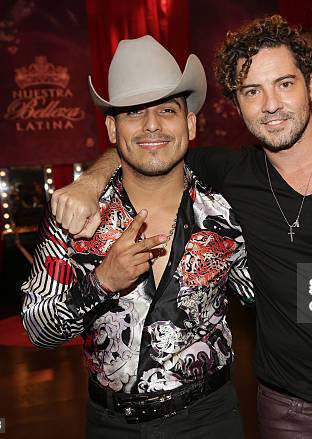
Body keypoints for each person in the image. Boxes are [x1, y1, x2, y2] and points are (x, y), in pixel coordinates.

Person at [51, 16, 312, 438]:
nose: (271, 105)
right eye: (252, 91)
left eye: (284, 83)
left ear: (311, 85)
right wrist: (88, 182)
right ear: (237, 103)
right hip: (286, 413)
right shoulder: (228, 175)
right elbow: (146, 145)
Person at [21, 36, 255, 439]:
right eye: (133, 112)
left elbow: (274, 297)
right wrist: (101, 284)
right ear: (113, 128)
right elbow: (37, 330)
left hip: (210, 421)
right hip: (111, 425)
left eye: (167, 109)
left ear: (191, 123)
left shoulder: (226, 214)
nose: (151, 125)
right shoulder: (75, 216)